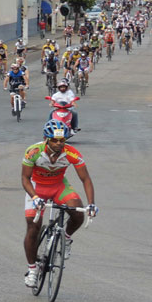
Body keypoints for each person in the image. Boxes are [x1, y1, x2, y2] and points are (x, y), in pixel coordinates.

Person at [21, 119, 97, 288]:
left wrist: (91, 204)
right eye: (54, 140)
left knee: (78, 213)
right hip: (36, 188)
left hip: (58, 187)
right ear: (46, 139)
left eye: (62, 140)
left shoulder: (72, 153)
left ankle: (66, 238)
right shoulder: (33, 152)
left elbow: (85, 179)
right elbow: (25, 178)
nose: (58, 144)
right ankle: (32, 270)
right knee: (33, 226)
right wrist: (34, 197)